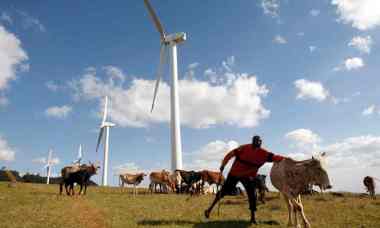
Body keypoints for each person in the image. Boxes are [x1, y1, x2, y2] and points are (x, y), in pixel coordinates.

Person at [204, 135, 285, 224]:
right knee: (223, 192)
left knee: (253, 194)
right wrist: (223, 165)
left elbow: (276, 157)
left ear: (261, 143)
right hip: (234, 173)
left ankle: (253, 219)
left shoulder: (263, 153)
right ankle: (209, 210)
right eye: (256, 141)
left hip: (248, 176)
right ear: (252, 141)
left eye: (259, 142)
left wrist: (288, 160)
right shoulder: (243, 148)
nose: (258, 143)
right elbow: (230, 154)